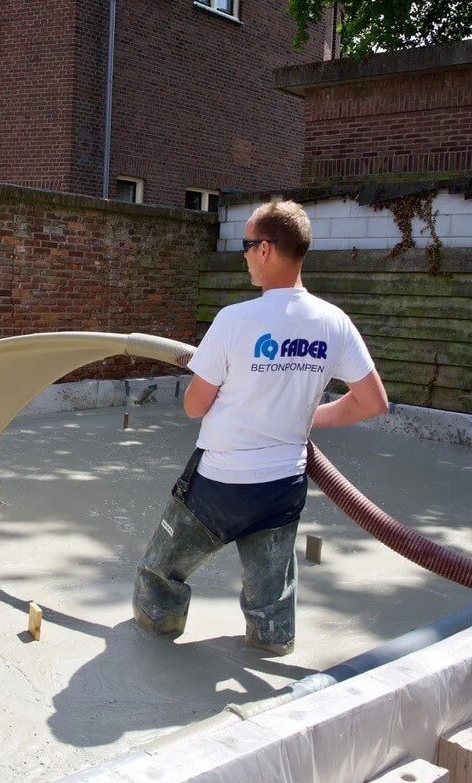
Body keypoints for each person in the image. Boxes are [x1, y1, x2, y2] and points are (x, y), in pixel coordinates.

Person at [132, 200, 388, 654]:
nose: (245, 255)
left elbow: (194, 407)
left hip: (219, 488)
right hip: (283, 487)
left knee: (159, 573)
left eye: (248, 246)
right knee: (272, 598)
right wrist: (305, 419)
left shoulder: (234, 321)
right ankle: (271, 649)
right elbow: (373, 402)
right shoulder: (334, 322)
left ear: (267, 249)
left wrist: (214, 373)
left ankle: (156, 638)